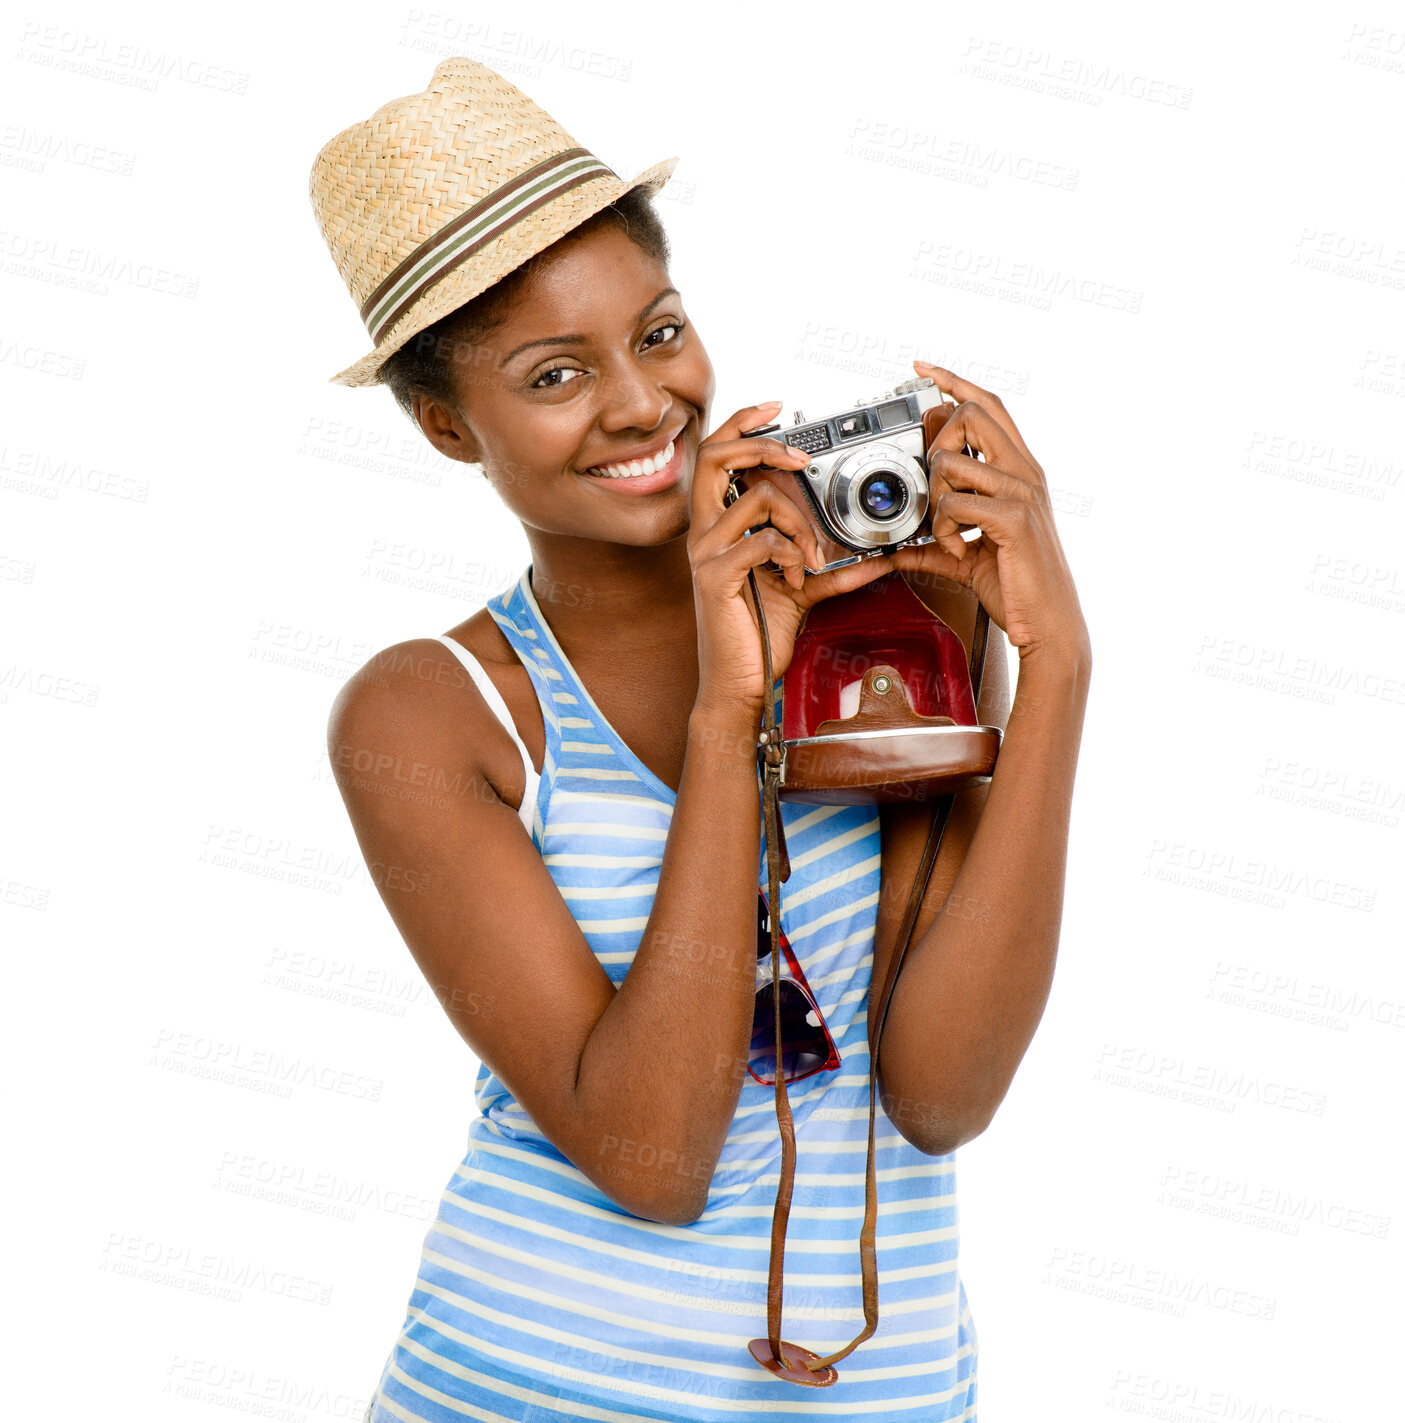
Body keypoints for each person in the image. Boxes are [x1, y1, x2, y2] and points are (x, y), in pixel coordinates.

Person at [311, 58, 1091, 1423]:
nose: (638, 404)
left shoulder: (894, 625)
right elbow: (654, 1158)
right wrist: (730, 710)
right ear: (447, 427)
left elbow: (942, 1094)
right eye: (555, 374)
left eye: (657, 333)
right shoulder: (438, 712)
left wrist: (1053, 665)